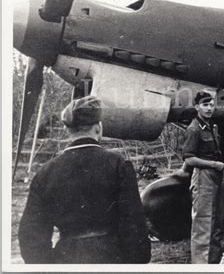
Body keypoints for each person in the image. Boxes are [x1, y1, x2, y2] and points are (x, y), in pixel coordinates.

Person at [18, 96, 151, 264]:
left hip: (66, 259)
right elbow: (134, 224)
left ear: (69, 130)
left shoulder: (45, 173)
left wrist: (51, 263)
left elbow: (31, 236)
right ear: (98, 127)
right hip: (112, 258)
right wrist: (136, 261)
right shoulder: (119, 165)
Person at [182, 91, 224, 264]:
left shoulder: (212, 127)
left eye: (211, 105)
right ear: (197, 107)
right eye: (205, 105)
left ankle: (213, 262)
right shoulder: (194, 129)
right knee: (203, 224)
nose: (209, 108)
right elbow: (189, 158)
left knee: (217, 222)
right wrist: (213, 165)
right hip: (204, 176)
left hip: (217, 175)